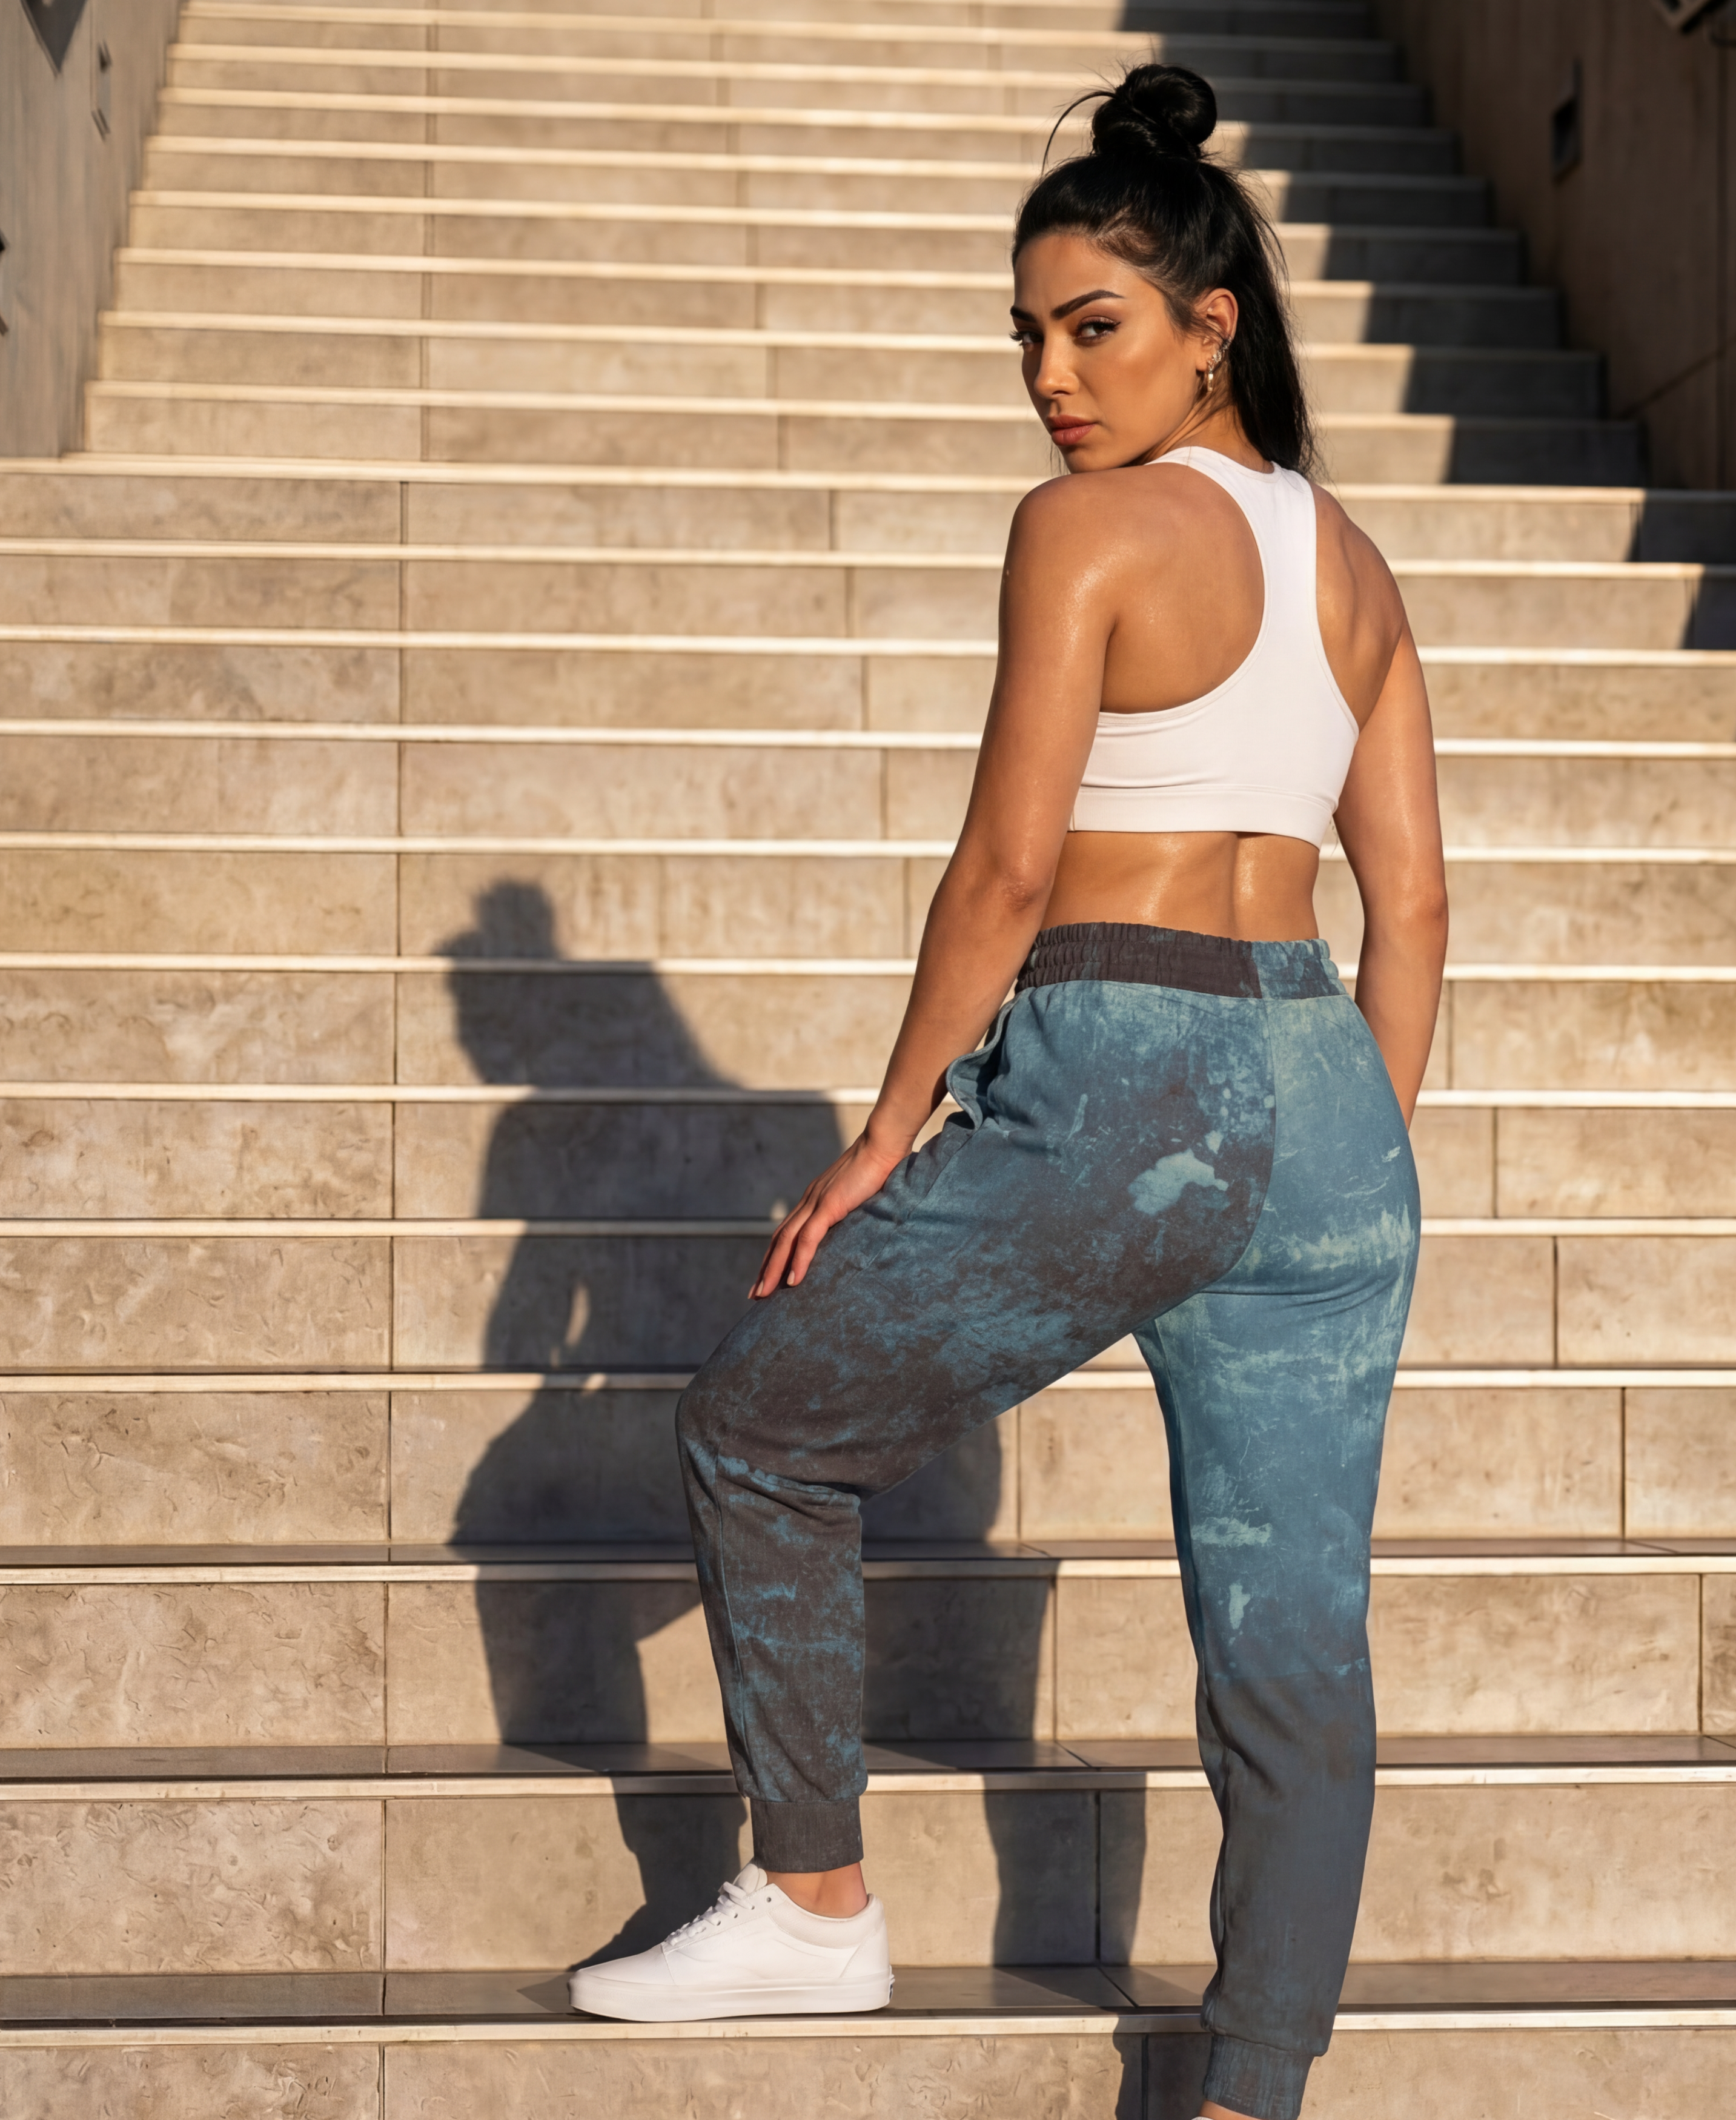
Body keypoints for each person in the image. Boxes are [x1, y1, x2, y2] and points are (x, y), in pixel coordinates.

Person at [568, 61, 1449, 2120]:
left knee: (759, 1428)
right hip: (1325, 1099)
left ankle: (809, 1899)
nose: (1052, 380)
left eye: (1094, 328)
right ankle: (1251, 2090)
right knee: (1292, 1655)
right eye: (1031, 341)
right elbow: (1409, 903)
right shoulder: (1356, 567)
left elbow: (1005, 866)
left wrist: (890, 1130)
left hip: (1125, 1065)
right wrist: (1350, 1146)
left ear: (1209, 322)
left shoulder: (1087, 530)